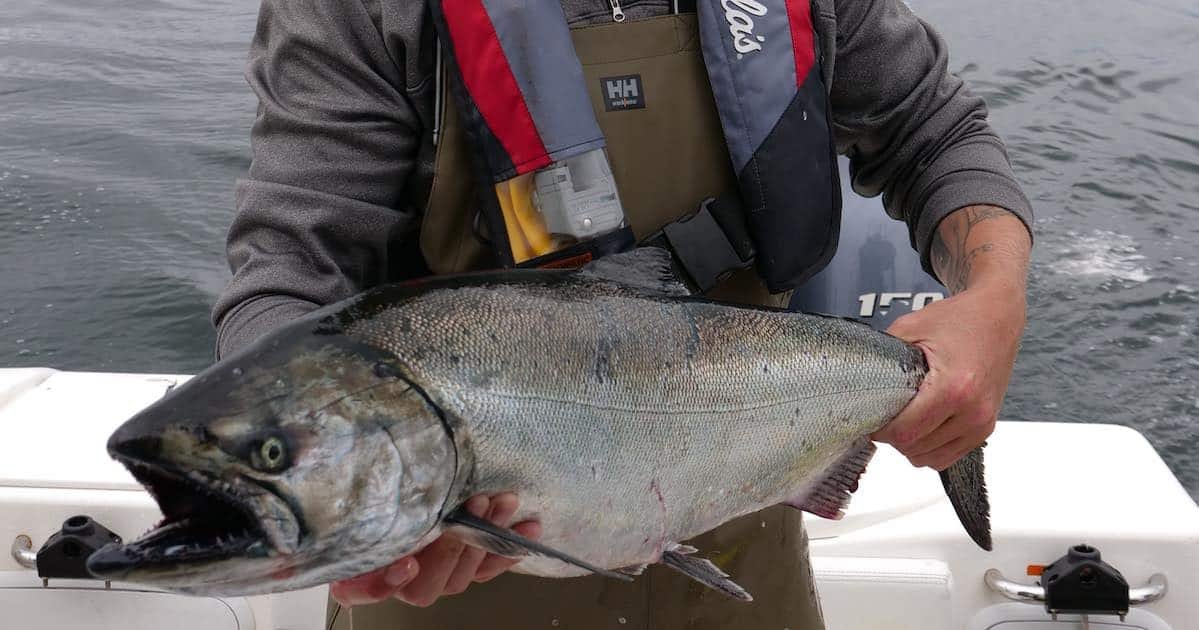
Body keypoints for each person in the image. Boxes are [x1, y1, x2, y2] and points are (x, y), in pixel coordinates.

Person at [213, 0, 1033, 627]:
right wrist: (332, 478)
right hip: (452, 557)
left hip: (740, 521)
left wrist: (992, 300)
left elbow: (934, 131)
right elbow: (290, 265)